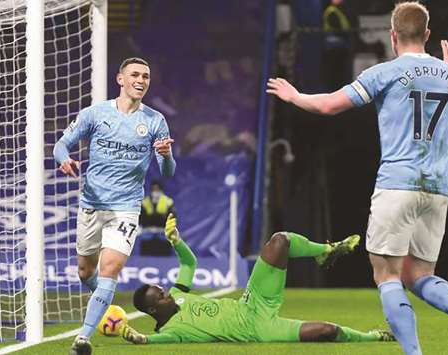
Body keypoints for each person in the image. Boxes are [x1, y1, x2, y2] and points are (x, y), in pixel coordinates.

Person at [266, 2, 448, 354]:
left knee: (387, 275)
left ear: (393, 35)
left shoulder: (384, 72)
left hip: (397, 183)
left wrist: (295, 96)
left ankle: (414, 353)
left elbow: (328, 105)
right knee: (420, 275)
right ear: (427, 34)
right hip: (438, 188)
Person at [53, 57, 176, 355]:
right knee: (85, 272)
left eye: (146, 76)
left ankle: (82, 338)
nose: (141, 80)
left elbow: (168, 171)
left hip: (126, 208)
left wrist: (167, 154)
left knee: (111, 269)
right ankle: (105, 301)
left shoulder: (155, 121)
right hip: (92, 204)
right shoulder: (94, 114)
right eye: (135, 74)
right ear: (120, 79)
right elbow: (61, 144)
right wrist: (64, 160)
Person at [119, 214, 394, 345]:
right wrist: (139, 338)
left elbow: (189, 263)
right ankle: (374, 337)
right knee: (326, 332)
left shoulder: (178, 294)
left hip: (252, 303)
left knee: (279, 241)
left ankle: (325, 252)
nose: (167, 294)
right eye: (161, 296)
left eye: (162, 290)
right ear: (154, 310)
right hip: (258, 330)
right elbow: (157, 342)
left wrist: (177, 241)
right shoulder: (172, 331)